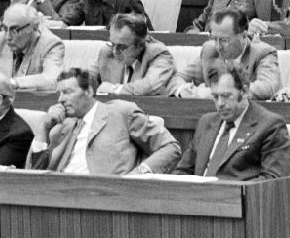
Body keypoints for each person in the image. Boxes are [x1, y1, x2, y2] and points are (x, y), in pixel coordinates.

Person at [26, 67, 181, 174]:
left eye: (67, 92)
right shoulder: (61, 125)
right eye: (59, 93)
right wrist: (43, 129)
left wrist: (138, 175)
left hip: (106, 196)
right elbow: (33, 174)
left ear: (89, 92)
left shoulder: (121, 112)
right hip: (60, 195)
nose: (61, 99)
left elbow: (170, 147)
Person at [174, 62, 290, 180]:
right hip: (197, 196)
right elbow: (183, 170)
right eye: (215, 96)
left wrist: (226, 192)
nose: (220, 104)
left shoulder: (270, 125)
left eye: (226, 96)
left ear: (245, 91)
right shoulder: (206, 122)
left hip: (237, 197)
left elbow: (272, 181)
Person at [171, 8, 280, 100]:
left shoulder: (263, 53)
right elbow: (176, 78)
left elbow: (267, 88)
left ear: (243, 36)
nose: (218, 46)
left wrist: (215, 93)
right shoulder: (210, 50)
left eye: (224, 40)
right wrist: (183, 89)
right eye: (214, 39)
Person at [93, 13, 175, 96]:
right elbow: (86, 79)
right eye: (113, 44)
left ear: (140, 46)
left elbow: (149, 86)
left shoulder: (158, 54)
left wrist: (115, 89)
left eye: (122, 47)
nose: (115, 51)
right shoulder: (107, 51)